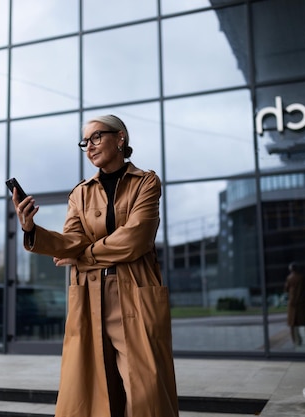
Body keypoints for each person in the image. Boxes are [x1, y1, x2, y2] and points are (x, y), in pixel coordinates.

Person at [11, 115, 179, 417]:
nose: (89, 147)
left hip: (134, 296)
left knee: (146, 394)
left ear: (120, 138)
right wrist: (32, 230)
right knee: (90, 394)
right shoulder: (80, 193)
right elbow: (70, 241)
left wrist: (82, 257)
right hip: (88, 298)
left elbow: (135, 239)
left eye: (96, 137)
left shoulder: (146, 182)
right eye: (84, 142)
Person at [284, 262, 305, 346]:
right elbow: (304, 288)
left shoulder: (289, 278)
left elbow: (286, 289)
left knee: (293, 324)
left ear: (291, 269)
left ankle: (297, 341)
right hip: (302, 302)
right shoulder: (302, 277)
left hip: (293, 303)